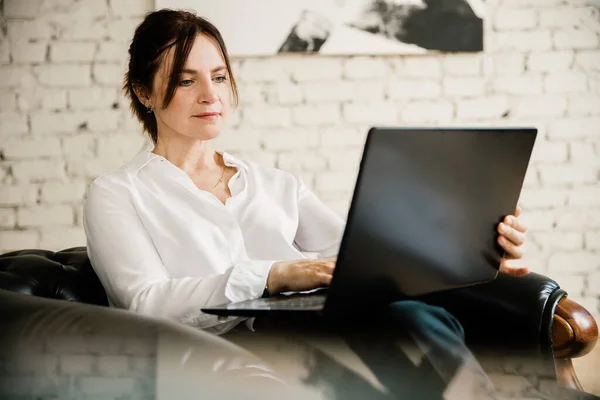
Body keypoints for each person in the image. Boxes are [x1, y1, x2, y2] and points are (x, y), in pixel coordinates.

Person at [82, 8, 529, 398]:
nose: (211, 95)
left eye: (218, 77)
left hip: (315, 326)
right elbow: (145, 303)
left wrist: (472, 250)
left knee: (406, 313)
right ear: (143, 92)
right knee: (399, 326)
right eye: (185, 80)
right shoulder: (117, 194)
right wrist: (273, 274)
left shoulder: (275, 184)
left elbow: (366, 258)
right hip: (220, 349)